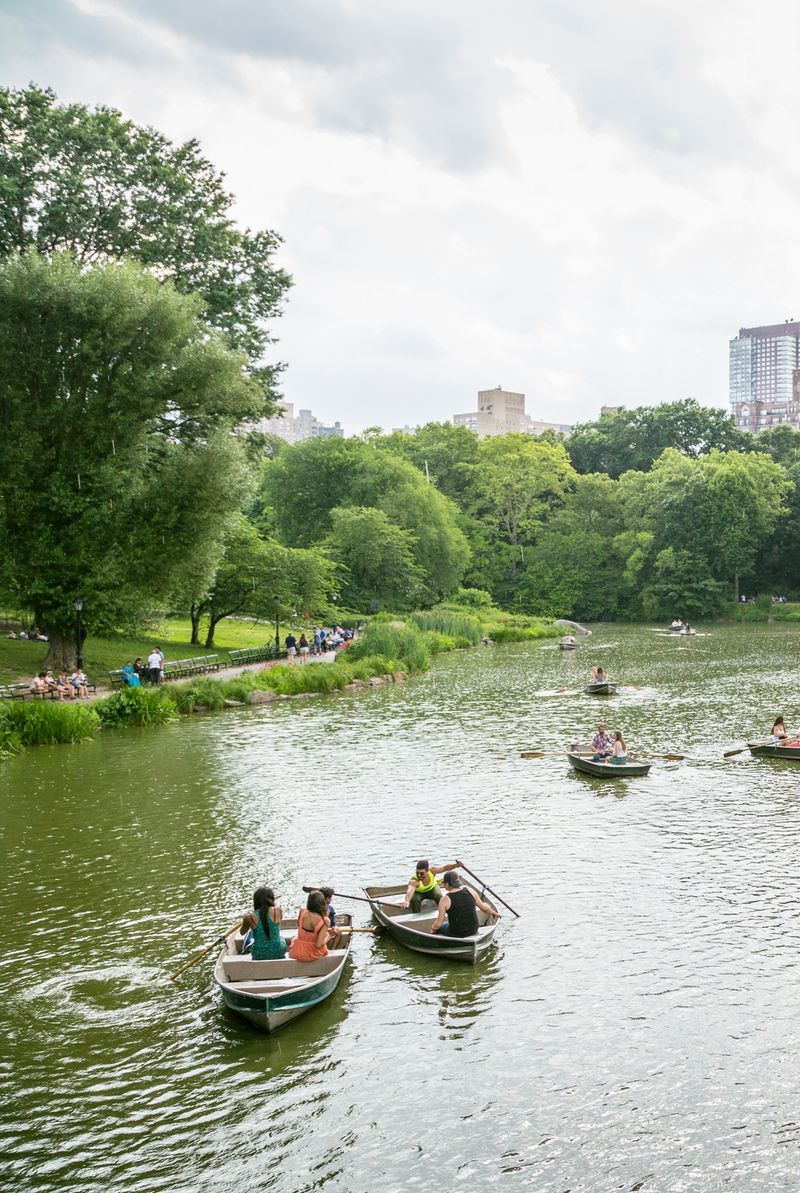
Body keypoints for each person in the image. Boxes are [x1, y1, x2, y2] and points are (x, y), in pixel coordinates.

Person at [428, 872, 499, 937]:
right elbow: (484, 908)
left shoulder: (445, 899)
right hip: (473, 930)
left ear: (446, 884)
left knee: (442, 926)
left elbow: (438, 923)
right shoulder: (470, 890)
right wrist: (495, 913)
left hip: (456, 933)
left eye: (443, 882)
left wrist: (432, 930)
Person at [288, 890, 330, 961]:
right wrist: (330, 936)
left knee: (295, 938)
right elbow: (318, 945)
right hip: (312, 953)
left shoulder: (302, 912)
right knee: (326, 935)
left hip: (298, 951)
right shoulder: (325, 920)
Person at [251, 887, 288, 960]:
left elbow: (242, 932)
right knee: (281, 938)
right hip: (278, 951)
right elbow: (278, 921)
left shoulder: (251, 916)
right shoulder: (277, 910)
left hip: (258, 953)